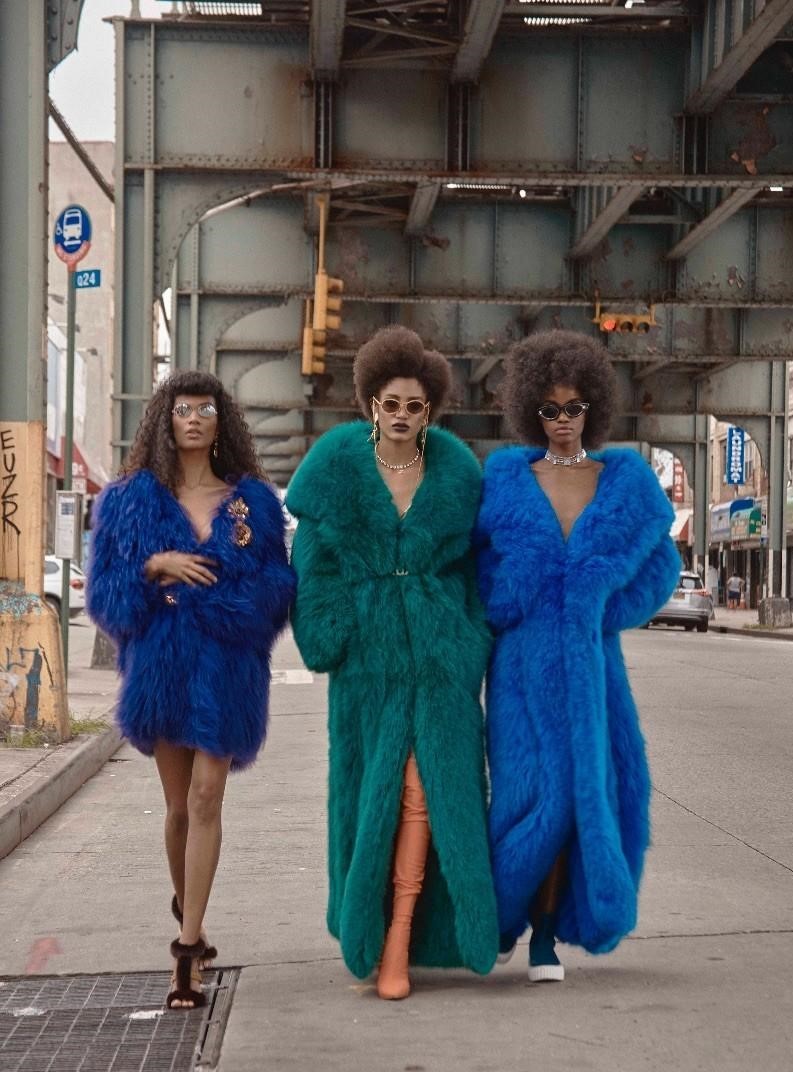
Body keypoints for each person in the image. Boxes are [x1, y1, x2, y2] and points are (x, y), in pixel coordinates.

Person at [286, 325, 498, 1000]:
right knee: (370, 797)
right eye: (391, 403)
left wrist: (465, 642)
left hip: (439, 664)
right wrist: (338, 635)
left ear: (429, 411)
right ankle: (370, 929)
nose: (402, 414)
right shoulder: (337, 474)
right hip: (368, 671)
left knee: (424, 795)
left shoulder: (456, 478)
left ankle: (402, 935)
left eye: (414, 405)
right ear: (371, 406)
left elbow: (472, 577)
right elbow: (312, 571)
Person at [475, 330, 680, 983]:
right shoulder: (507, 479)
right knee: (527, 794)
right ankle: (505, 913)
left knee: (580, 794)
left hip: (593, 668)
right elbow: (477, 567)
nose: (562, 421)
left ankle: (542, 934)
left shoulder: (621, 482)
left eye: (573, 408)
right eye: (550, 409)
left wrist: (600, 610)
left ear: (593, 407)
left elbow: (660, 568)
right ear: (530, 411)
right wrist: (513, 599)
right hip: (521, 669)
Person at [87, 370, 295, 1010]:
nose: (195, 419)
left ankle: (186, 948)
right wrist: (155, 566)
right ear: (166, 419)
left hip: (228, 670)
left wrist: (217, 606)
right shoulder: (128, 501)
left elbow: (277, 589)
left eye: (207, 409)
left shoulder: (254, 503)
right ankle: (191, 911)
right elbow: (106, 594)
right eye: (184, 409)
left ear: (221, 420)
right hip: (161, 668)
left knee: (208, 796)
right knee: (178, 808)